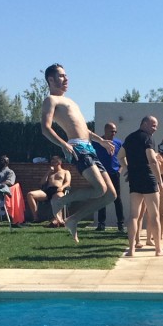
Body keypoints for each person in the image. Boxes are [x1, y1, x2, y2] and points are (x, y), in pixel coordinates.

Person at [39, 63, 116, 242]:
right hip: (77, 148)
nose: (66, 79)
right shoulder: (51, 100)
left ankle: (73, 219)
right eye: (61, 76)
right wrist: (64, 144)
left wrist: (101, 141)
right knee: (99, 188)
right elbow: (45, 128)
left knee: (110, 195)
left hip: (89, 147)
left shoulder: (71, 101)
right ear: (51, 79)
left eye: (66, 75)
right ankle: (59, 201)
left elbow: (84, 130)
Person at [118, 116, 163, 257]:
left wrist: (128, 169)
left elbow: (120, 156)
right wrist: (160, 181)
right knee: (154, 215)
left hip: (135, 180)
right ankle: (158, 250)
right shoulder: (148, 138)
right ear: (144, 123)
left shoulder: (130, 138)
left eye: (156, 125)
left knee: (134, 215)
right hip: (148, 179)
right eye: (153, 125)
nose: (155, 128)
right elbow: (152, 160)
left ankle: (131, 250)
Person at [91, 122, 125, 232]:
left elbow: (122, 157)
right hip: (101, 173)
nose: (113, 133)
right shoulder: (96, 143)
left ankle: (121, 224)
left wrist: (120, 170)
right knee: (102, 197)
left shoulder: (118, 143)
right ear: (105, 131)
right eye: (111, 131)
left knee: (117, 198)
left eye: (115, 131)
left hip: (114, 173)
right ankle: (101, 224)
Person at [26, 155, 70, 226]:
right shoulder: (50, 172)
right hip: (47, 191)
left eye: (54, 162)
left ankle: (59, 220)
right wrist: (48, 172)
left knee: (58, 198)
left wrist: (62, 187)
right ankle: (36, 218)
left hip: (58, 190)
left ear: (59, 163)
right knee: (30, 194)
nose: (52, 164)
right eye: (51, 162)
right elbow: (42, 183)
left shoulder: (65, 172)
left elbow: (68, 182)